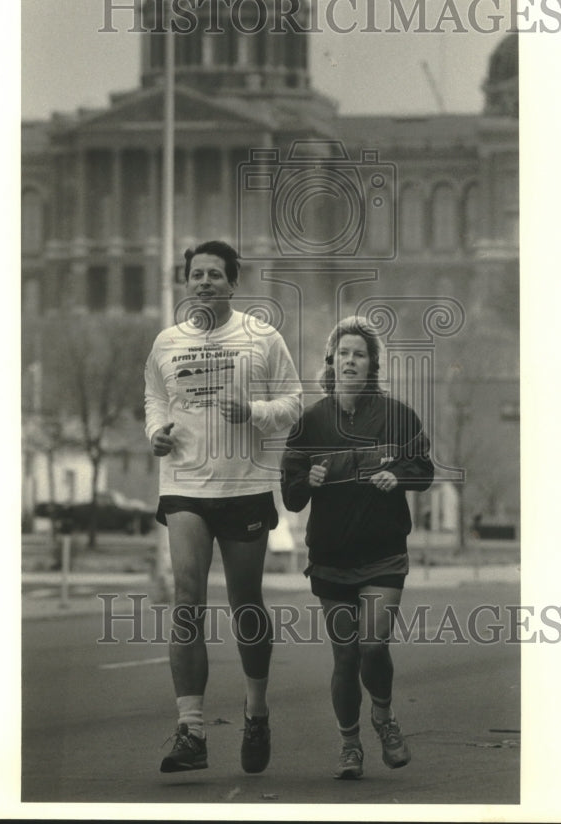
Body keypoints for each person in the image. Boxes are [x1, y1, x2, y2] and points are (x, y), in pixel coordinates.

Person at [144, 240, 302, 774]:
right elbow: (155, 397)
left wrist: (253, 411)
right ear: (186, 283)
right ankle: (191, 731)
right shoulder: (167, 341)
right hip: (184, 484)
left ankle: (256, 713)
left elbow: (293, 403)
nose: (205, 282)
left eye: (215, 274)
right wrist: (155, 432)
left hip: (243, 489)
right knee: (187, 600)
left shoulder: (262, 337)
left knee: (245, 604)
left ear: (233, 282)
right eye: (196, 274)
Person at [280, 315, 433, 780]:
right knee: (345, 655)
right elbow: (291, 495)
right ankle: (350, 745)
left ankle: (384, 718)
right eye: (343, 353)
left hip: (384, 554)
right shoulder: (310, 423)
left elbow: (424, 471)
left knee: (372, 645)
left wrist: (398, 475)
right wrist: (310, 477)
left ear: (372, 365)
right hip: (331, 557)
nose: (350, 360)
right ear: (332, 361)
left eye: (359, 354)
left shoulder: (399, 416)